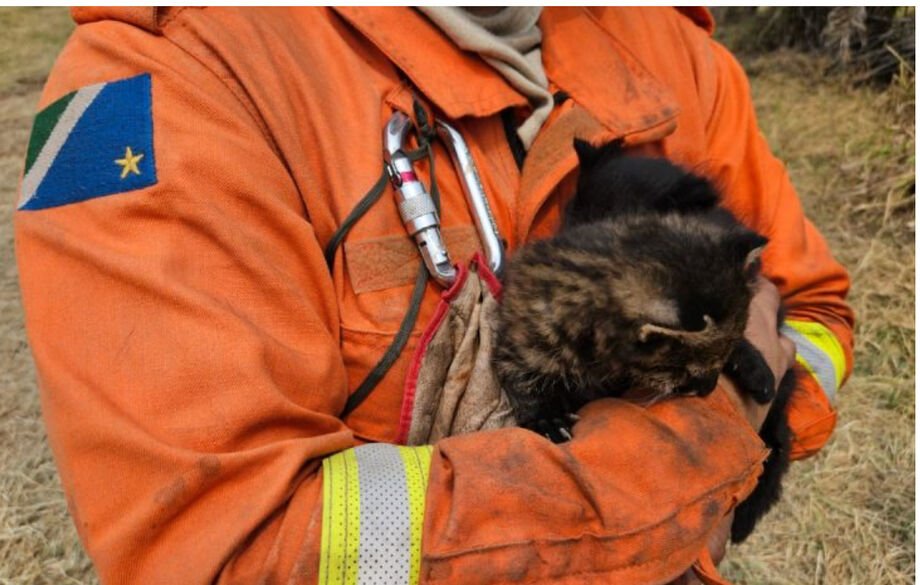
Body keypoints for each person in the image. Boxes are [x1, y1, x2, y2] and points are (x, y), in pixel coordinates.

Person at [15, 7, 852, 585]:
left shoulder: (669, 45)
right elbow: (229, 551)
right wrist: (722, 421)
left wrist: (762, 389)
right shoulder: (156, 86)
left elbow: (816, 313)